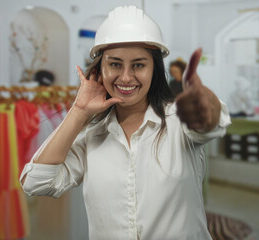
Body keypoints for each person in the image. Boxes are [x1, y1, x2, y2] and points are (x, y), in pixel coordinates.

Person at [20, 5, 231, 240]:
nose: (126, 77)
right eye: (115, 64)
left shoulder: (178, 122)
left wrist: (204, 105)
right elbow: (35, 183)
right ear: (100, 69)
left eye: (139, 65)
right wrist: (79, 111)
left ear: (154, 70)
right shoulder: (91, 134)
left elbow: (210, 123)